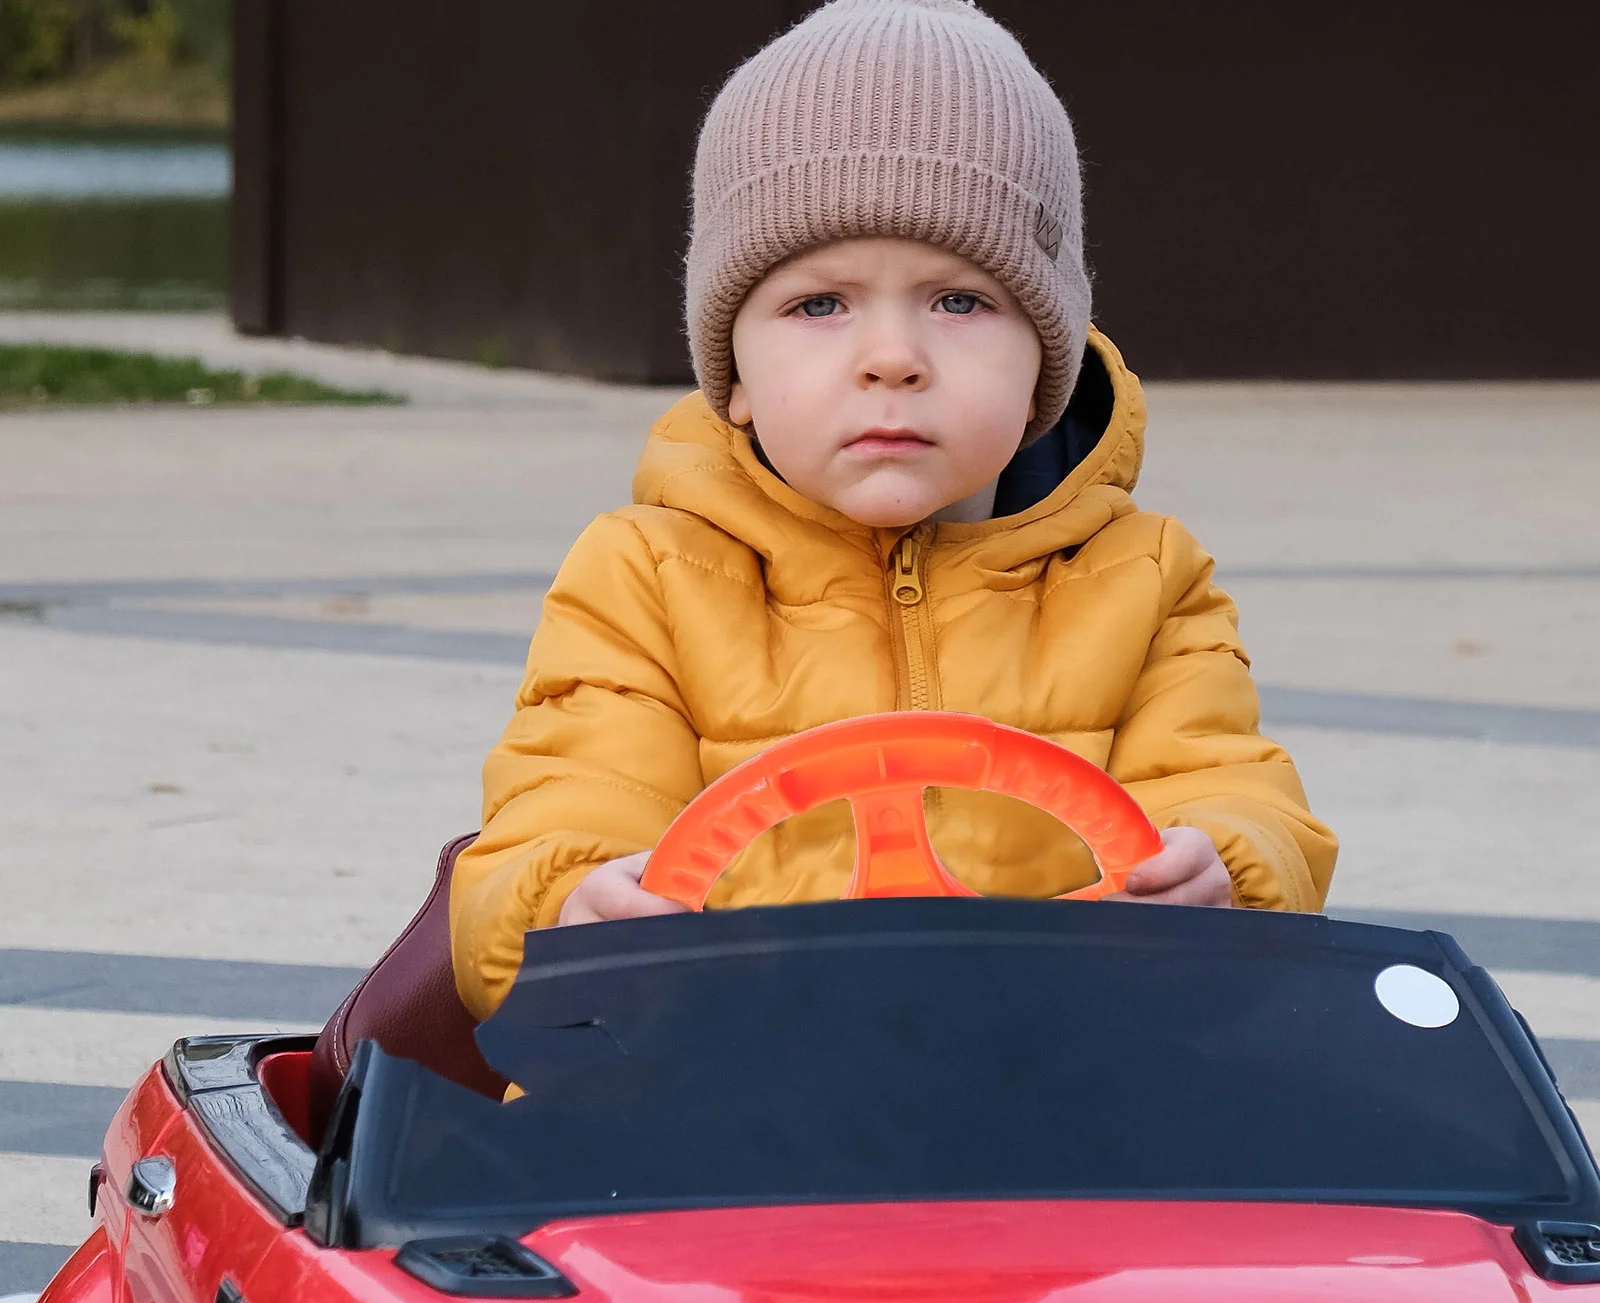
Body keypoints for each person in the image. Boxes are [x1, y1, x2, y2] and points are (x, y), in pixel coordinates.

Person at [450, 0, 1338, 1021]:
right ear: (731, 372)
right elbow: (568, 805)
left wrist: (1222, 865)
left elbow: (1228, 786)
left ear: (1044, 358)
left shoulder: (1143, 580)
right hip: (711, 1079)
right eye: (817, 305)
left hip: (1060, 1073)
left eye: (959, 301)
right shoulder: (645, 576)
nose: (891, 358)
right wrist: (567, 906)